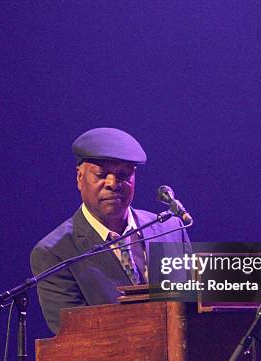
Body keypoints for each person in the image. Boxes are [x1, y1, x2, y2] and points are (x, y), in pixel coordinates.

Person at [30, 128, 191, 334]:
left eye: (123, 175)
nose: (113, 184)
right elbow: (75, 336)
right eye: (101, 175)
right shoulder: (55, 252)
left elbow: (196, 304)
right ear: (79, 178)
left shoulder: (170, 229)